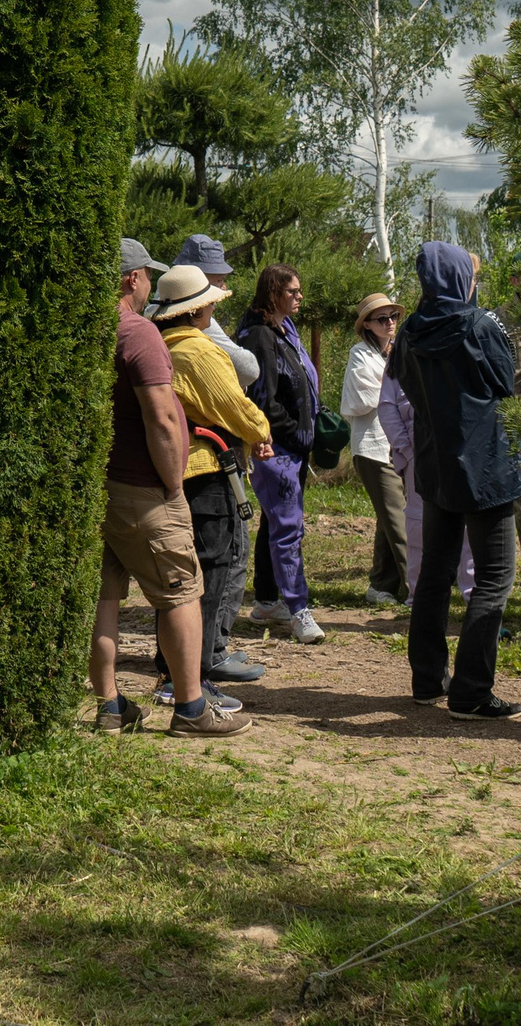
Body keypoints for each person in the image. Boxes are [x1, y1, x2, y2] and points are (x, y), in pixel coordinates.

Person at [93, 238, 250, 737]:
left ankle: (110, 706)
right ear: (131, 279)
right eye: (144, 275)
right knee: (181, 592)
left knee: (107, 599)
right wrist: (171, 485)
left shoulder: (92, 333)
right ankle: (190, 708)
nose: (145, 286)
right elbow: (162, 418)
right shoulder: (138, 334)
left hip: (104, 487)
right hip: (144, 488)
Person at [393, 242, 521, 720]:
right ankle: (471, 692)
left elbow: (405, 383)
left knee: (434, 573)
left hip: (436, 466)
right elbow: (504, 383)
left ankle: (428, 681)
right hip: (487, 467)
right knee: (495, 577)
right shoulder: (478, 326)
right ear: (461, 278)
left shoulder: (409, 331)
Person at [146, 263, 273, 708]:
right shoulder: (198, 352)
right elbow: (233, 406)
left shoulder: (159, 345)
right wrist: (260, 430)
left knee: (181, 581)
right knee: (211, 575)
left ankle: (171, 674)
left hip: (176, 473)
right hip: (207, 473)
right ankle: (192, 679)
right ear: (198, 311)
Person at [237, 264, 324, 644]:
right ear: (273, 294)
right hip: (276, 447)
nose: (299, 297)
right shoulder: (259, 336)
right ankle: (298, 610)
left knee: (276, 522)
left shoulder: (283, 330)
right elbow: (263, 401)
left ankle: (268, 600)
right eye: (292, 291)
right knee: (288, 527)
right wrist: (298, 432)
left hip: (293, 446)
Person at [341, 292, 410, 608]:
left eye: (393, 317)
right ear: (367, 324)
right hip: (373, 448)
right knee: (399, 518)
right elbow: (370, 396)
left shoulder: (394, 353)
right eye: (382, 319)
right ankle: (417, 588)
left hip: (398, 446)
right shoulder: (361, 355)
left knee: (390, 517)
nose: (390, 323)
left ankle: (381, 584)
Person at [173, 234, 260, 391]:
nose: (224, 288)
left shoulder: (167, 301)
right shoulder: (193, 315)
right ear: (198, 278)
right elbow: (248, 370)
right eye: (219, 280)